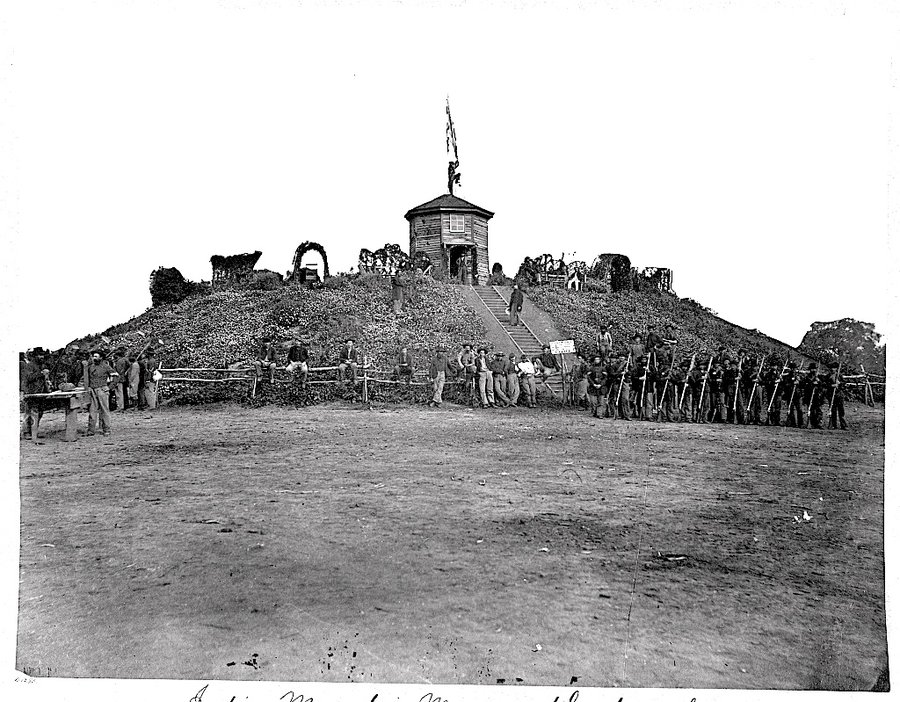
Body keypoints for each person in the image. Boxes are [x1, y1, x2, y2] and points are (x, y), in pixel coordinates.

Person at [20, 349, 48, 440]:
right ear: (35, 356)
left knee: (39, 413)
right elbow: (27, 378)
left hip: (40, 393)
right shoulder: (29, 366)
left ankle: (34, 431)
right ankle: (26, 432)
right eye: (39, 355)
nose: (42, 357)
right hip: (31, 393)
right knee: (29, 413)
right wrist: (40, 374)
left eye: (42, 355)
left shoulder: (41, 366)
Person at [85, 352, 114, 436]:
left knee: (104, 410)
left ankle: (106, 429)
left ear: (101, 358)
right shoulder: (90, 367)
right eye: (93, 356)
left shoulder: (106, 366)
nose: (94, 358)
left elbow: (116, 376)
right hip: (92, 391)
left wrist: (110, 387)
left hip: (102, 390)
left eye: (96, 356)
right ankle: (91, 430)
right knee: (92, 411)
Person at [823, 362, 848, 430]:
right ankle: (834, 425)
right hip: (831, 395)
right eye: (831, 368)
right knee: (833, 410)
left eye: (834, 368)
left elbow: (844, 384)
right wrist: (831, 385)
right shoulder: (828, 376)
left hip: (839, 395)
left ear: (836, 369)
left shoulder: (839, 376)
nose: (832, 369)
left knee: (841, 410)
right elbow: (825, 384)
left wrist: (839, 384)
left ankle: (843, 425)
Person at [784, 362, 804, 428]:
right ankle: (792, 423)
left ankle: (800, 423)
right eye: (792, 368)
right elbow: (786, 385)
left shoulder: (799, 376)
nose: (793, 370)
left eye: (794, 368)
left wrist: (799, 381)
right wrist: (793, 383)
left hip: (798, 395)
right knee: (791, 409)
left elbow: (803, 385)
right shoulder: (787, 376)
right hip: (790, 394)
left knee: (800, 410)